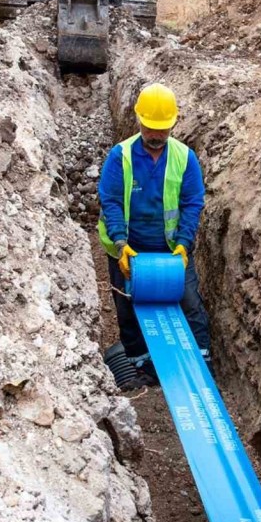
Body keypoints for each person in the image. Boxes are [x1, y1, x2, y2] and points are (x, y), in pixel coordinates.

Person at [97, 83, 211, 388]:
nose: (157, 135)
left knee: (189, 301)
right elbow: (110, 200)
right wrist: (121, 244)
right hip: (128, 248)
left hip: (171, 247)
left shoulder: (185, 158)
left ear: (174, 123)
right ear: (139, 121)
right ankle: (141, 364)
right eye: (151, 128)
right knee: (128, 307)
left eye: (163, 129)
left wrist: (185, 244)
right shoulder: (119, 156)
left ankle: (200, 361)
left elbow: (192, 202)